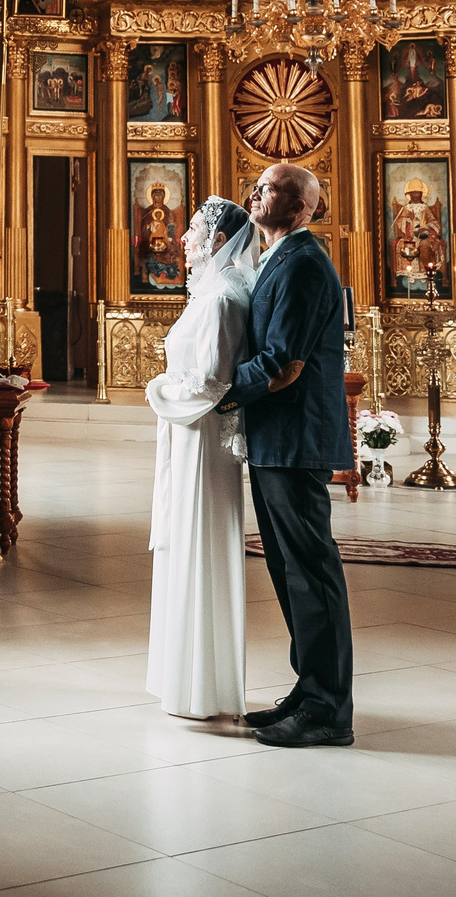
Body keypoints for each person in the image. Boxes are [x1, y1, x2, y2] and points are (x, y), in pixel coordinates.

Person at [223, 162, 355, 746]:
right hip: (276, 437)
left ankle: (328, 710)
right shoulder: (278, 256)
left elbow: (283, 363)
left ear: (304, 206)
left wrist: (217, 392)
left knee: (309, 571)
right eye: (256, 184)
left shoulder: (303, 262)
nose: (256, 192)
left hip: (296, 436)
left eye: (271, 187)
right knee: (286, 568)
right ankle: (309, 688)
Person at [145, 198, 259, 719]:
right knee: (186, 542)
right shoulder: (214, 290)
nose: (183, 238)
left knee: (199, 540)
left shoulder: (220, 298)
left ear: (217, 240)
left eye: (192, 230)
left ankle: (202, 687)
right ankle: (187, 680)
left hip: (200, 437)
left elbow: (214, 381)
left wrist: (158, 392)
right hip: (187, 433)